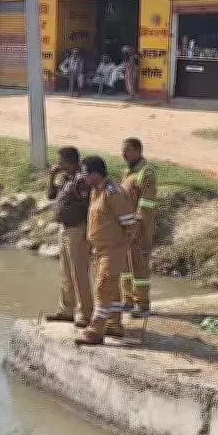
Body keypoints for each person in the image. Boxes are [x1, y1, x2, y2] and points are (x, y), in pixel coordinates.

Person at [76, 156, 139, 345]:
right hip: (99, 249)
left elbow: (129, 223)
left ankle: (95, 330)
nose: (82, 176)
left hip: (113, 249)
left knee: (102, 287)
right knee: (111, 287)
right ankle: (114, 324)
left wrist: (121, 246)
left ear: (96, 174)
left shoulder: (113, 193)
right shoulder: (96, 191)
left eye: (85, 173)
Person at [44, 146, 93, 327]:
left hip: (78, 229)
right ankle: (66, 309)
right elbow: (50, 195)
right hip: (64, 229)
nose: (58, 164)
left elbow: (88, 203)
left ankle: (84, 312)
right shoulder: (66, 177)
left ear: (69, 161)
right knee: (65, 272)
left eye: (60, 161)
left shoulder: (81, 180)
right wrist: (51, 177)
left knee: (78, 272)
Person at [119, 138, 157, 318]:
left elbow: (145, 203)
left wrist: (137, 225)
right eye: (123, 151)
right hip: (125, 226)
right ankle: (128, 300)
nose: (124, 154)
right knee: (125, 266)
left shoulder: (146, 172)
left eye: (128, 151)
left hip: (140, 228)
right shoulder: (127, 172)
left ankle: (142, 304)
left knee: (139, 265)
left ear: (138, 151)